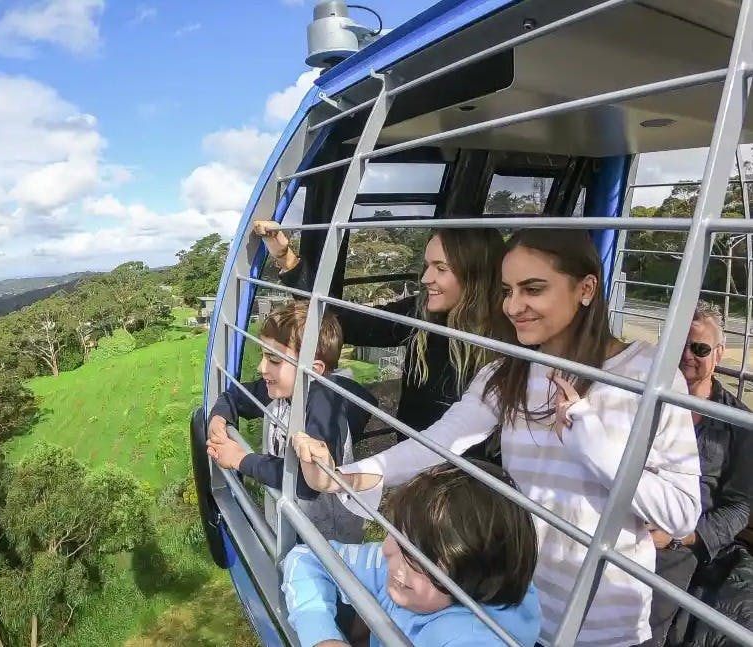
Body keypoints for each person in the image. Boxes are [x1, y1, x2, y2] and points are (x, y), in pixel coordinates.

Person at [292, 229, 703, 646]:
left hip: (603, 624)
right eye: (507, 290)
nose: (513, 306)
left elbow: (682, 514)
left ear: (586, 288)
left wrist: (597, 448)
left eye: (533, 289)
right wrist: (345, 475)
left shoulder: (648, 374)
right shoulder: (506, 372)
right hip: (513, 612)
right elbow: (442, 440)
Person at [254, 221, 509, 446]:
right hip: (413, 462)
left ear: (476, 275)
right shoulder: (419, 314)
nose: (425, 278)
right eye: (427, 265)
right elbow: (347, 322)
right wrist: (286, 258)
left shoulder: (508, 339)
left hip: (470, 477)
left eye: (441, 269)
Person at [282, 460, 542, 647]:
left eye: (412, 550)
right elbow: (308, 557)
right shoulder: (406, 574)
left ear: (472, 570)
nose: (386, 550)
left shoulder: (471, 638)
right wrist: (322, 636)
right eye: (394, 533)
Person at [206, 300, 377, 543]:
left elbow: (308, 482)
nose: (261, 367)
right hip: (290, 527)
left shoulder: (325, 404)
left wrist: (241, 459)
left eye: (274, 360)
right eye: (264, 356)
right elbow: (234, 397)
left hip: (325, 545)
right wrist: (219, 418)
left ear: (314, 370)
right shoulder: (284, 387)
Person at [648, 301, 753, 646]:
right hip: (632, 518)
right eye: (679, 345)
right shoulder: (646, 400)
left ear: (719, 354)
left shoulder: (738, 425)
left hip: (682, 542)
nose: (688, 355)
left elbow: (739, 507)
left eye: (700, 348)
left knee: (645, 619)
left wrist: (681, 537)